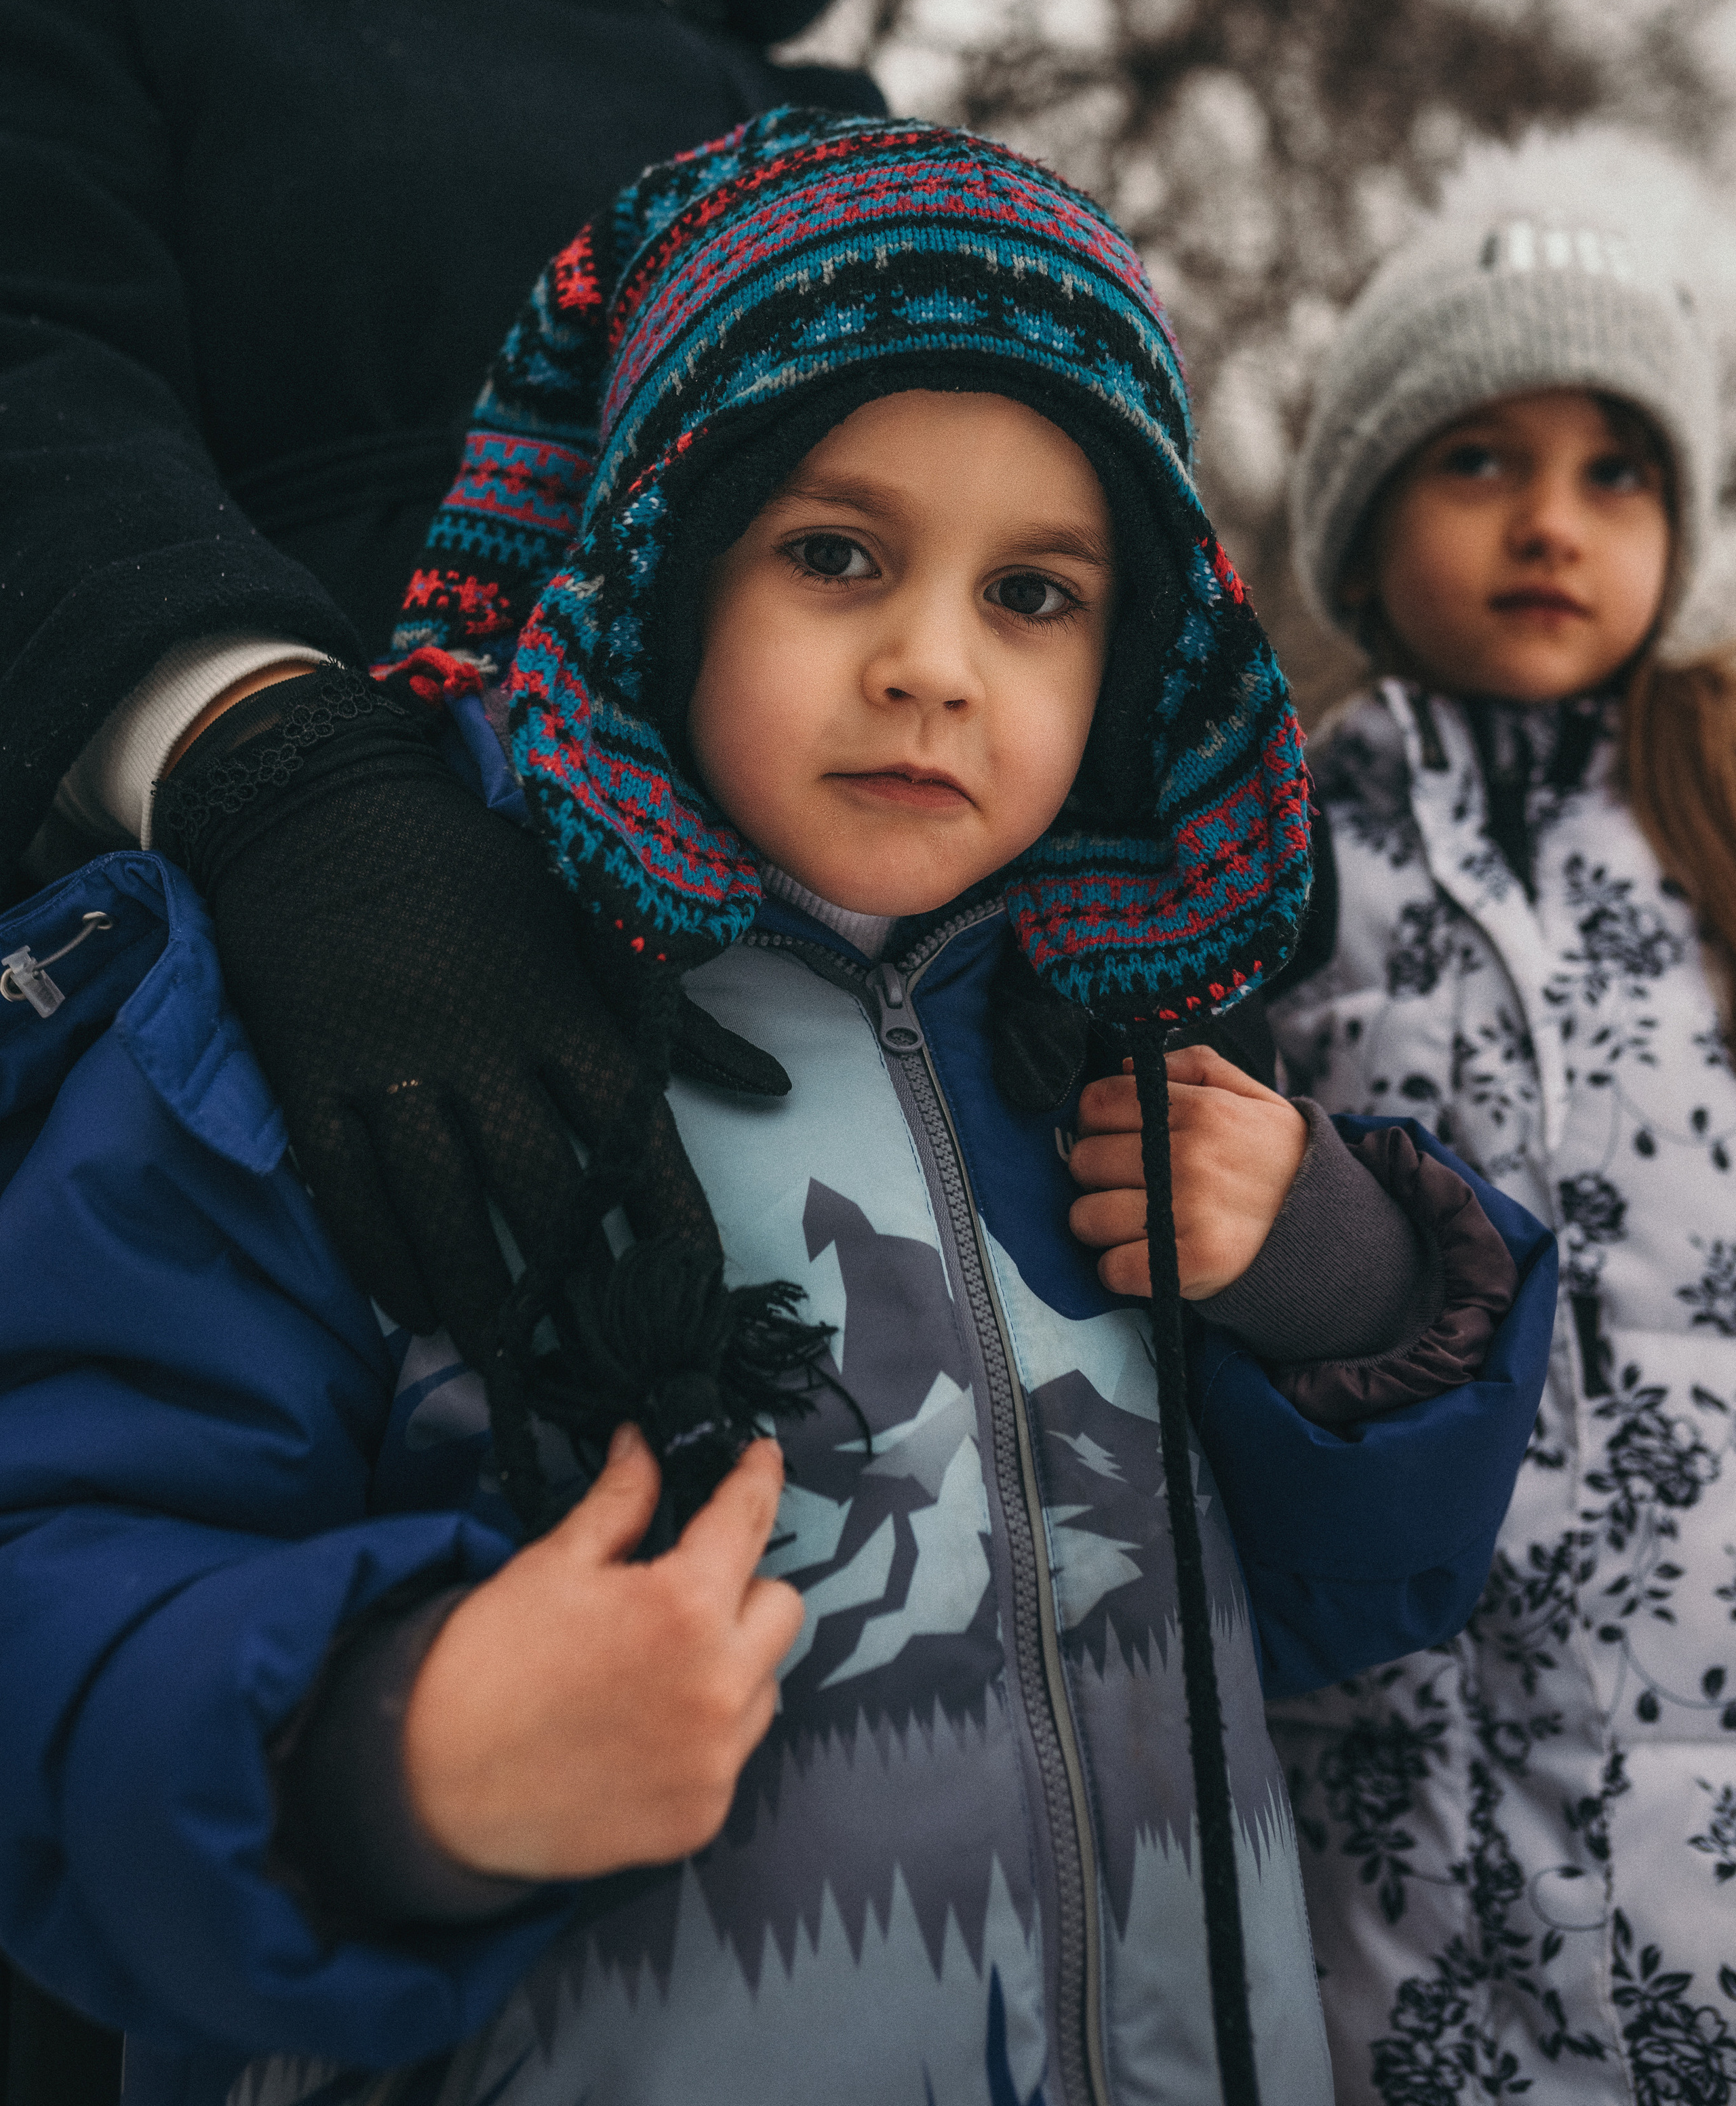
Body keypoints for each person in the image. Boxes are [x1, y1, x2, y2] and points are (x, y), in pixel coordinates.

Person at [0, 109, 1556, 2106]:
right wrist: (395, 1757)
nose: (933, 666)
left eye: (1035, 593)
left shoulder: (1105, 1028)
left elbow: (1335, 1615)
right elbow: (66, 1567)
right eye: (837, 555)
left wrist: (1341, 1282)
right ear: (657, 555)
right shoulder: (370, 1017)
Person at [0, 0, 892, 2068]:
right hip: (256, 1091)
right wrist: (276, 768)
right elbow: (25, 362)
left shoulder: (825, 131)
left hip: (836, 1105)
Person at [1261, 133, 1736, 2104]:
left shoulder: (1719, 821)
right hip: (1400, 1775)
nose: (1551, 520)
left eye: (1614, 471)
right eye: (1481, 458)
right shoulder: (1272, 852)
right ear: (1366, 518)